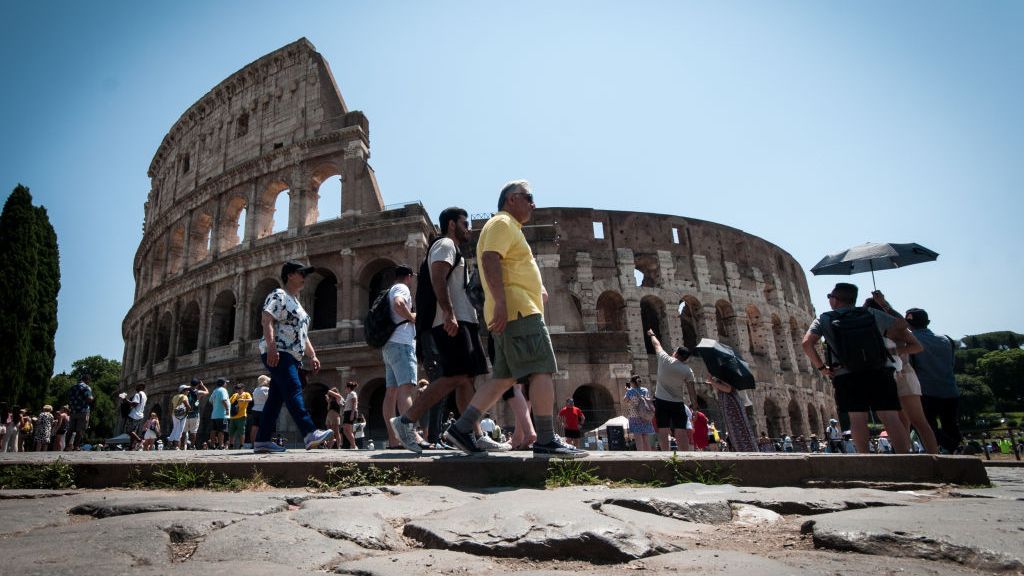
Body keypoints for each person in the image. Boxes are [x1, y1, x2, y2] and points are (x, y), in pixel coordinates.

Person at [442, 180, 586, 458]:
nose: (533, 204)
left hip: (514, 310)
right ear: (511, 200)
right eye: (529, 197)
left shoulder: (508, 227)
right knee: (542, 369)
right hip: (518, 311)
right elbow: (489, 259)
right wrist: (503, 303)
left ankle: (461, 429)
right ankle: (545, 439)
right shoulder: (502, 224)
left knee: (504, 378)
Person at [391, 207, 503, 453]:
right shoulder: (445, 244)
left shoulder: (454, 249)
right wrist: (449, 313)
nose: (469, 228)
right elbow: (437, 277)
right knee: (454, 376)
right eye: (465, 223)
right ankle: (406, 420)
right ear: (452, 224)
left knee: (466, 379)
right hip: (451, 321)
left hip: (462, 320)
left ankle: (474, 433)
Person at [802, 282, 912, 454]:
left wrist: (822, 367)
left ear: (836, 300)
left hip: (846, 373)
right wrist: (884, 304)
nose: (829, 300)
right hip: (879, 369)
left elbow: (807, 343)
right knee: (890, 417)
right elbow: (902, 325)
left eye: (830, 296)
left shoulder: (825, 318)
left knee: (857, 418)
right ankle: (907, 460)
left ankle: (865, 461)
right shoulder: (870, 313)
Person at [255, 260, 334, 453]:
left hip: (292, 355)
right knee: (293, 389)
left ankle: (262, 441)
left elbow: (302, 335)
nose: (305, 277)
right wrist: (272, 348)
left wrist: (313, 355)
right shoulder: (278, 294)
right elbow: (267, 320)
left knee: (275, 399)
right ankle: (309, 433)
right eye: (301, 273)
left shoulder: (298, 305)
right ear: (290, 275)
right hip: (279, 352)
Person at [864, 294, 939, 454]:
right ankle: (905, 456)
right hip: (883, 375)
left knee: (917, 420)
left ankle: (935, 457)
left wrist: (893, 351)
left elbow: (917, 346)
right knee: (899, 421)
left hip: (903, 373)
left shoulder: (895, 327)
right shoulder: (871, 330)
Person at [905, 308, 962, 454]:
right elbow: (952, 364)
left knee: (924, 426)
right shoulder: (946, 339)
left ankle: (950, 448)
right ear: (928, 322)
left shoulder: (910, 343)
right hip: (949, 388)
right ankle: (957, 449)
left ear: (907, 324)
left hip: (925, 390)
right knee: (951, 425)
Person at [381, 264, 419, 449]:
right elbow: (399, 303)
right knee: (406, 390)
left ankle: (393, 440)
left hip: (389, 344)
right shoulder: (401, 288)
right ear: (409, 277)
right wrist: (412, 317)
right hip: (402, 344)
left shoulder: (390, 289)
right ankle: (411, 437)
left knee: (391, 393)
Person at [646, 329, 695, 452]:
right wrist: (696, 406)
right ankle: (684, 454)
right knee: (680, 429)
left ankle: (665, 453)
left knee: (663, 429)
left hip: (661, 400)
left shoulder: (664, 359)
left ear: (676, 353)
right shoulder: (687, 371)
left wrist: (652, 334)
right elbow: (691, 390)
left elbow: (656, 344)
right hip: (677, 402)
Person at [707, 376, 758, 452]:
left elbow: (728, 388)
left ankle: (745, 449)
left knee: (737, 427)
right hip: (728, 403)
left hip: (730, 404)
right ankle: (743, 449)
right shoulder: (721, 372)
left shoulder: (724, 372)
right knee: (735, 428)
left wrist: (713, 382)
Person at [624, 375, 655, 451]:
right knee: (645, 437)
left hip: (634, 416)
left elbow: (625, 400)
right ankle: (648, 454)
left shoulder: (630, 391)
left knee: (638, 438)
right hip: (645, 415)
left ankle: (641, 454)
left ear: (632, 383)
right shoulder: (645, 390)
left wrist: (627, 390)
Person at [67, 374, 94, 450]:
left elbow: (69, 398)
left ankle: (66, 447)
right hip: (82, 410)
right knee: (80, 430)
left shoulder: (73, 387)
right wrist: (92, 398)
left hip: (73, 410)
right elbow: (89, 398)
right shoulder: (86, 387)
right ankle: (76, 446)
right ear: (87, 380)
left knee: (70, 430)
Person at [183, 377, 209, 450]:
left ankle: (182, 445)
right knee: (193, 431)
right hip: (194, 413)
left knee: (184, 431)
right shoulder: (198, 392)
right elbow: (207, 392)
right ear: (198, 384)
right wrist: (202, 385)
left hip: (186, 413)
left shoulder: (186, 391)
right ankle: (192, 446)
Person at [228, 383, 252, 449]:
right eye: (237, 389)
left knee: (241, 432)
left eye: (239, 389)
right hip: (233, 416)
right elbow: (228, 402)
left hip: (241, 416)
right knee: (231, 432)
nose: (238, 390)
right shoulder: (234, 395)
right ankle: (231, 445)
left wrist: (243, 400)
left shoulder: (246, 394)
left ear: (243, 389)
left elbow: (250, 399)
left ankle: (241, 445)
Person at [208, 378, 231, 449]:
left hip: (214, 414)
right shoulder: (223, 390)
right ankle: (221, 445)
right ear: (223, 384)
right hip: (222, 414)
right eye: (226, 383)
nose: (226, 384)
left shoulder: (215, 391)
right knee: (222, 430)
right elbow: (223, 400)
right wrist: (227, 409)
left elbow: (210, 401)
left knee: (213, 430)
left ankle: (212, 445)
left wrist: (216, 406)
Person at [249, 375, 270, 446]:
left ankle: (253, 444)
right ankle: (263, 443)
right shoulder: (266, 389)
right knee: (264, 427)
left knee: (254, 427)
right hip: (263, 409)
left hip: (255, 409)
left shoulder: (256, 389)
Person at [168, 384, 191, 449]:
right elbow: (186, 404)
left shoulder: (175, 396)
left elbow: (171, 406)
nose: (188, 391)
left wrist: (171, 414)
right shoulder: (184, 396)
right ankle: (176, 445)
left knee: (175, 428)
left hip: (174, 414)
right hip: (182, 414)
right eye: (187, 390)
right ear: (183, 390)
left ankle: (169, 443)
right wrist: (189, 408)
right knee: (180, 429)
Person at [126, 383, 148, 450]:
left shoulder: (137, 394)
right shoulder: (144, 395)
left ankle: (139, 440)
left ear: (141, 387)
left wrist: (125, 400)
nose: (136, 387)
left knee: (129, 431)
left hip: (134, 415)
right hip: (140, 415)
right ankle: (131, 446)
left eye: (137, 386)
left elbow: (134, 404)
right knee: (133, 432)